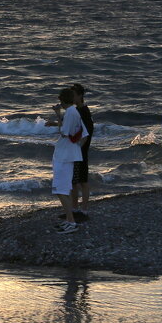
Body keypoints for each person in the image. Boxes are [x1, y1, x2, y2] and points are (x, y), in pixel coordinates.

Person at [47, 86, 88, 234]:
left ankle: (71, 222)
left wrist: (58, 116)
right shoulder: (74, 112)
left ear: (61, 100)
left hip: (64, 156)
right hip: (68, 154)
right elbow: (84, 133)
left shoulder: (70, 113)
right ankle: (70, 220)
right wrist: (76, 148)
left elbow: (64, 132)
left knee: (61, 189)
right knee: (63, 189)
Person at [70, 84, 94, 218]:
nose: (72, 98)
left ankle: (84, 210)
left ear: (80, 96)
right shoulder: (76, 110)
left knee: (83, 180)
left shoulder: (84, 111)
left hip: (81, 150)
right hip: (76, 149)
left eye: (74, 95)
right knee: (74, 180)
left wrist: (80, 148)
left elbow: (88, 132)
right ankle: (74, 208)